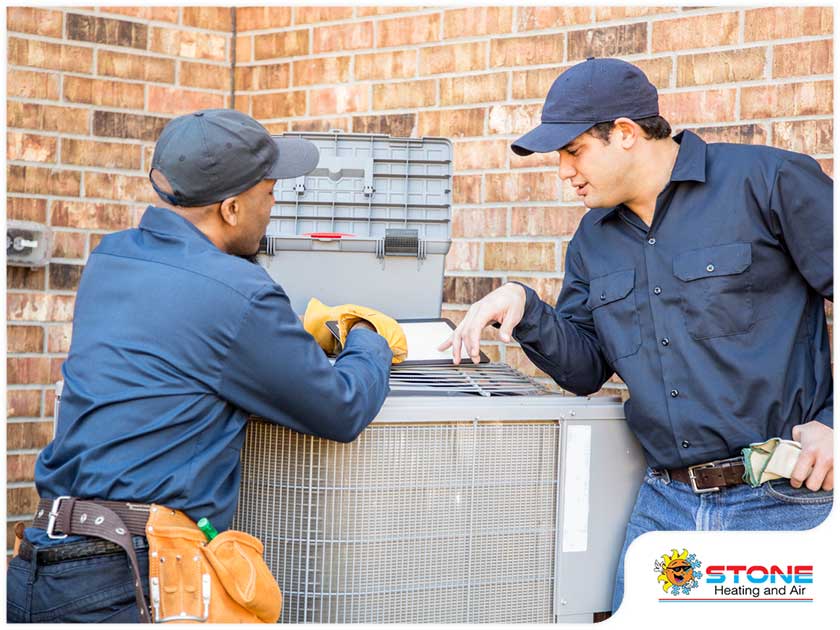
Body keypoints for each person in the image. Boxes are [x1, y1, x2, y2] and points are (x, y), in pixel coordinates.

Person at [439, 57, 833, 612]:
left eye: (573, 151)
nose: (563, 172)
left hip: (784, 504)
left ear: (624, 133)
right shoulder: (592, 238)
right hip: (664, 511)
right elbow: (585, 370)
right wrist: (526, 307)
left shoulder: (767, 182)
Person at [7, 109, 401, 623]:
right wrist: (367, 338)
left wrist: (272, 336)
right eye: (269, 191)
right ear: (233, 208)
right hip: (125, 581)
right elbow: (341, 408)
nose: (275, 201)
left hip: (37, 564)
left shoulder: (111, 259)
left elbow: (177, 347)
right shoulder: (240, 295)